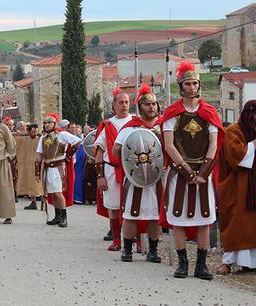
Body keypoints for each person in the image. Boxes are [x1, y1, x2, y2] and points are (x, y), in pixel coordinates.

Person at [160, 61, 224, 280]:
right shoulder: (172, 113)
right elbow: (169, 145)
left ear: (199, 86)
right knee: (177, 219)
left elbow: (214, 144)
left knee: (204, 218)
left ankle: (202, 265)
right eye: (187, 83)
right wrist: (188, 172)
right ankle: (182, 264)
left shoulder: (209, 112)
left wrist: (203, 173)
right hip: (179, 173)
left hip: (203, 173)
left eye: (194, 83)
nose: (191, 87)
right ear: (181, 86)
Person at [112, 84, 162, 263]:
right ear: (140, 107)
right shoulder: (130, 127)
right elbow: (117, 149)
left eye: (154, 104)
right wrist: (131, 163)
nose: (151, 107)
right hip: (135, 179)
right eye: (148, 104)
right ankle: (127, 249)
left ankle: (153, 251)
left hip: (157, 178)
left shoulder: (163, 127)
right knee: (131, 214)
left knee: (155, 215)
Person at [217, 100, 256, 274]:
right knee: (236, 223)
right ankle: (228, 262)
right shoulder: (233, 131)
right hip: (238, 187)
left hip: (253, 187)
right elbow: (238, 157)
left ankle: (251, 263)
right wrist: (254, 144)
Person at [94, 88, 132, 250]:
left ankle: (134, 239)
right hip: (111, 170)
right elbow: (99, 153)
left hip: (132, 171)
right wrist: (100, 176)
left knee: (134, 205)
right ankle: (117, 240)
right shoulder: (108, 125)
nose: (124, 105)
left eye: (127, 102)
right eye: (121, 102)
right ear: (114, 106)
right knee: (114, 207)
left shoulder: (135, 122)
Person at [35, 113, 81, 227]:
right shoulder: (43, 137)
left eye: (49, 122)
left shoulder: (62, 134)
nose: (47, 125)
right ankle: (57, 216)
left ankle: (64, 217)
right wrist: (36, 172)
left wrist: (68, 155)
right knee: (52, 193)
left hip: (58, 168)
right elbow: (39, 155)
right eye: (45, 123)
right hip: (47, 168)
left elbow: (78, 142)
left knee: (58, 192)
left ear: (54, 123)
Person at [16, 123, 44, 210]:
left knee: (39, 185)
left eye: (36, 131)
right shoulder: (23, 140)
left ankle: (43, 202)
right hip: (27, 166)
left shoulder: (41, 139)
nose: (34, 133)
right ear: (28, 131)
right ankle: (33, 202)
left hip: (38, 165)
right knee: (31, 184)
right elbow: (16, 145)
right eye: (32, 132)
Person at [4, 117, 19, 202]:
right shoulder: (3, 134)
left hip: (13, 158)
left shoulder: (16, 134)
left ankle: (15, 194)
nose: (10, 126)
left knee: (14, 176)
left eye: (11, 125)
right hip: (4, 157)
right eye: (8, 125)